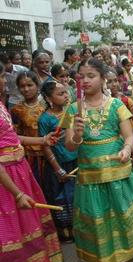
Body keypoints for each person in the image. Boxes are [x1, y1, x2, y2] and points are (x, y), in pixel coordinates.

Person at [61, 58, 133, 262]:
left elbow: (129, 136)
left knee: (121, 212)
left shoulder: (116, 105)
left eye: (91, 76)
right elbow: (70, 147)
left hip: (117, 172)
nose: (85, 81)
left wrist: (126, 150)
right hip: (90, 174)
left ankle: (124, 254)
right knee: (95, 216)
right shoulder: (74, 109)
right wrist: (77, 135)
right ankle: (101, 258)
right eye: (81, 76)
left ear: (103, 78)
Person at [0, 62, 63, 262]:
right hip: (6, 178)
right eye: (2, 76)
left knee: (27, 221)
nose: (4, 80)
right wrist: (17, 193)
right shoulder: (13, 107)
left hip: (20, 170)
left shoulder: (1, 105)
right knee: (12, 227)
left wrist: (42, 139)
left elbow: (11, 138)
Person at [38, 81, 77, 243]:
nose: (66, 96)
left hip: (75, 161)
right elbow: (45, 146)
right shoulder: (45, 119)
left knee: (77, 196)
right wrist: (57, 169)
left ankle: (80, 227)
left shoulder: (71, 111)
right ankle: (66, 233)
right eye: (60, 94)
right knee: (62, 198)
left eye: (66, 92)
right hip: (59, 164)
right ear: (48, 98)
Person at [106, 69, 133, 187]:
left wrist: (129, 142)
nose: (114, 84)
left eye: (116, 80)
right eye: (109, 82)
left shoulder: (126, 101)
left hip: (127, 146)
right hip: (109, 148)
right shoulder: (100, 104)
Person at [10, 71, 46, 185]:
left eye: (29, 85)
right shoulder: (16, 110)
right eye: (22, 86)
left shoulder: (47, 106)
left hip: (49, 154)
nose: (26, 89)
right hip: (28, 156)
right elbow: (15, 135)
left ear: (37, 85)